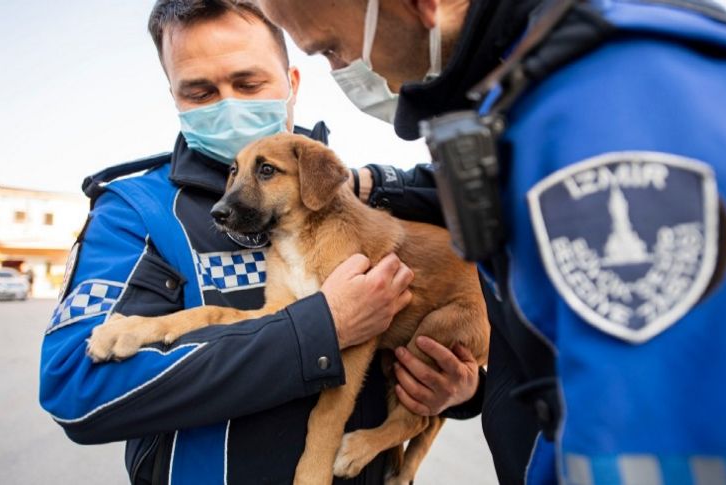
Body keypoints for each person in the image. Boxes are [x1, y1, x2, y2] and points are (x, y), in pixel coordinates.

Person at [257, 0, 726, 483]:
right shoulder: (557, 84)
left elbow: (655, 430)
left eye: (331, 47)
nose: (342, 70)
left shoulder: (593, 113)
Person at [38, 1, 482, 484]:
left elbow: (470, 326)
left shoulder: (353, 196)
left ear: (291, 83)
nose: (229, 105)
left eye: (248, 84)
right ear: (175, 97)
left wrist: (463, 391)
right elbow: (76, 386)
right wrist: (315, 330)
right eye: (200, 91)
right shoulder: (135, 210)